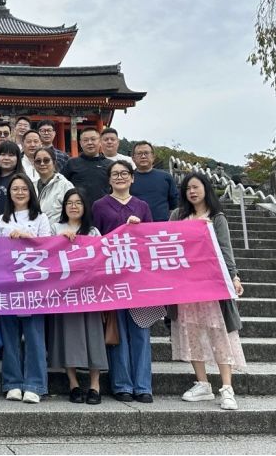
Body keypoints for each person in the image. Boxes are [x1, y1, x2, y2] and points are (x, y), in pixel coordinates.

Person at [170, 172, 245, 411]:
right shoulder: (177, 215)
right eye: (188, 188)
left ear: (206, 189)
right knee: (190, 332)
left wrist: (233, 276)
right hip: (186, 285)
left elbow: (225, 248)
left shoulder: (217, 217)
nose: (192, 192)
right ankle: (202, 383)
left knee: (219, 333)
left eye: (196, 187)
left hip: (211, 283)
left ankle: (227, 387)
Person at [92, 160, 156, 404]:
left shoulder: (142, 206)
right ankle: (122, 384)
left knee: (141, 330)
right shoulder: (99, 205)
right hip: (112, 277)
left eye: (124, 173)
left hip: (139, 278)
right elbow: (95, 240)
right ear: (109, 180)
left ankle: (143, 385)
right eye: (115, 174)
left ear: (132, 178)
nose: (120, 177)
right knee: (116, 330)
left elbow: (151, 241)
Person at [0, 173, 51, 404]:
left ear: (31, 192)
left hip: (34, 284)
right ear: (9, 193)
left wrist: (27, 237)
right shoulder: (1, 220)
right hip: (8, 284)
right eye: (15, 189)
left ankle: (35, 385)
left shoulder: (41, 218)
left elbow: (49, 247)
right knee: (10, 335)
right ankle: (13, 383)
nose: (19, 192)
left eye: (24, 189)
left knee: (35, 335)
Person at [46, 188, 106, 405]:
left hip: (89, 293)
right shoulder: (55, 228)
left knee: (93, 336)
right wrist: (59, 241)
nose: (73, 206)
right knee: (67, 336)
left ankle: (95, 384)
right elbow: (46, 255)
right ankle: (73, 383)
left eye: (78, 203)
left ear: (85, 207)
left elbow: (101, 260)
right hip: (64, 293)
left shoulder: (94, 232)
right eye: (69, 202)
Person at [62, 128, 112, 207]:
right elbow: (61, 186)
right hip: (78, 209)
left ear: (100, 142)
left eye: (93, 139)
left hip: (103, 209)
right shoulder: (71, 163)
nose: (90, 143)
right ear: (80, 143)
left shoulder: (110, 165)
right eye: (85, 140)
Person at [130, 140, 178, 222]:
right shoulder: (127, 178)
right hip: (135, 224)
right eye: (139, 153)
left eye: (146, 153)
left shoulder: (166, 177)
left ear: (153, 157)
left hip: (162, 225)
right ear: (133, 158)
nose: (143, 156)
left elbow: (174, 204)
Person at [33, 147, 72, 227]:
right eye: (38, 161)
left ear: (54, 163)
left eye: (46, 160)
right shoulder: (31, 186)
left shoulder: (65, 185)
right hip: (33, 232)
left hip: (56, 232)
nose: (42, 164)